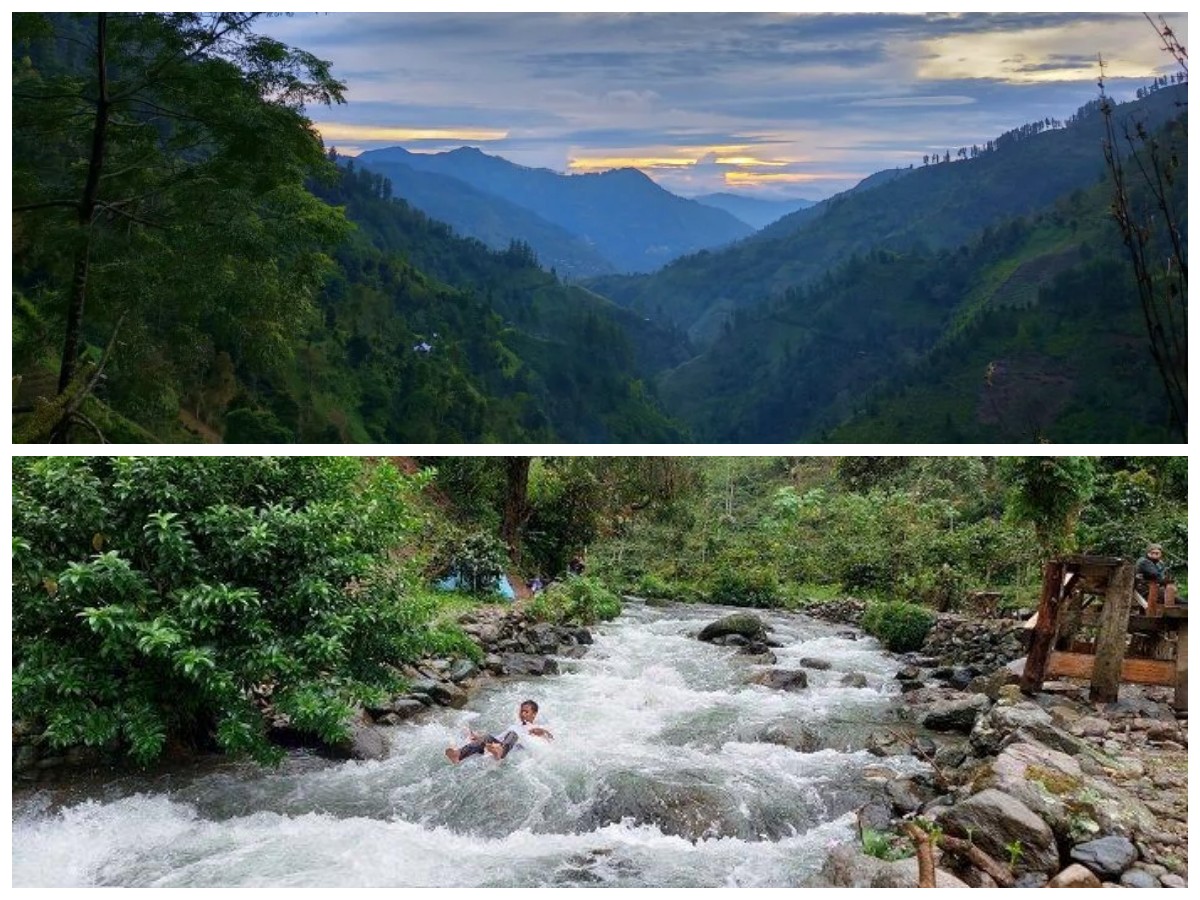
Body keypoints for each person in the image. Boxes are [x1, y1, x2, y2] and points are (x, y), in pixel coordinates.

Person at [445, 699, 553, 764]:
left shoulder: (537, 727)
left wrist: (543, 732)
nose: (523, 714)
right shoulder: (514, 726)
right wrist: (478, 738)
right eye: (521, 711)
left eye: (526, 712)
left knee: (513, 734)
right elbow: (498, 737)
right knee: (487, 737)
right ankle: (458, 755)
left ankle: (501, 751)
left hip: (513, 751)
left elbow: (551, 739)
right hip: (499, 747)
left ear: (534, 714)